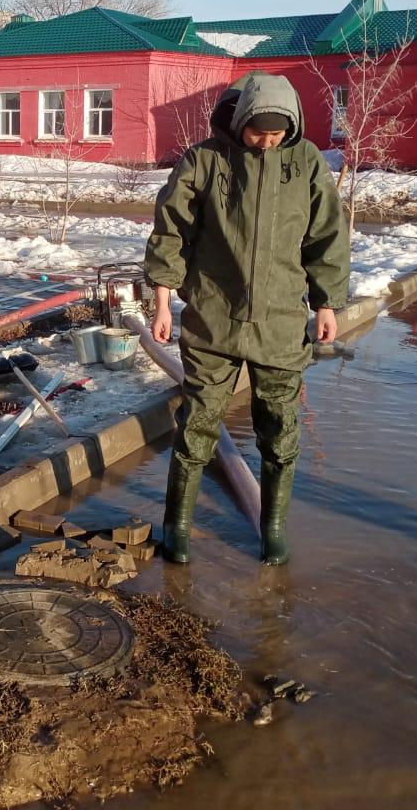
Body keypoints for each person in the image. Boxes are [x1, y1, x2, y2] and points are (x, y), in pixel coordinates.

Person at [144, 72, 350, 566]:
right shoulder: (206, 160)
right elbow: (172, 231)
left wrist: (326, 303)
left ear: (293, 127)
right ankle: (177, 530)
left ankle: (273, 528)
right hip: (214, 318)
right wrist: (162, 302)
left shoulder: (306, 165)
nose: (267, 141)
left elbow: (327, 237)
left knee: (280, 428)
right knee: (198, 424)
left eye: (277, 133)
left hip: (280, 323)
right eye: (258, 132)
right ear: (240, 122)